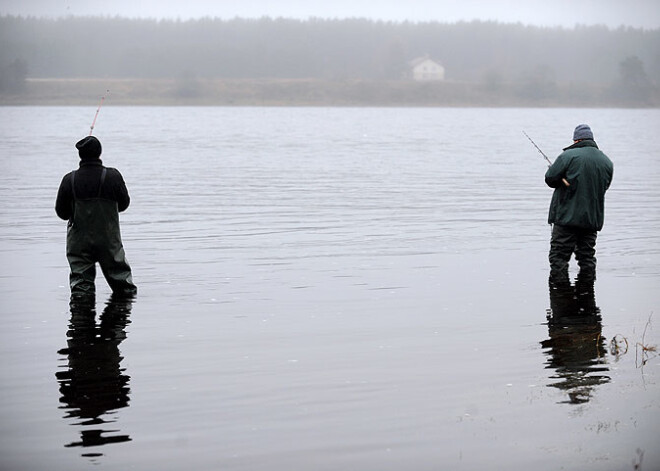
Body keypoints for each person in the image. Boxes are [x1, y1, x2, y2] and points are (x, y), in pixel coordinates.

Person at [56, 136, 137, 298]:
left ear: (81, 155)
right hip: (109, 240)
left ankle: (81, 321)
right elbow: (124, 204)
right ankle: (120, 318)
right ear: (99, 152)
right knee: (123, 287)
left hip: (79, 243)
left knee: (81, 289)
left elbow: (62, 213)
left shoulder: (69, 180)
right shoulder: (113, 176)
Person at [545, 124, 613, 286]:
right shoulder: (606, 162)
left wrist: (554, 171)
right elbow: (604, 187)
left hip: (566, 218)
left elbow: (550, 179)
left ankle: (561, 300)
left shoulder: (568, 156)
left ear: (576, 139)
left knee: (559, 257)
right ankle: (587, 300)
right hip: (591, 219)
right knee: (587, 257)